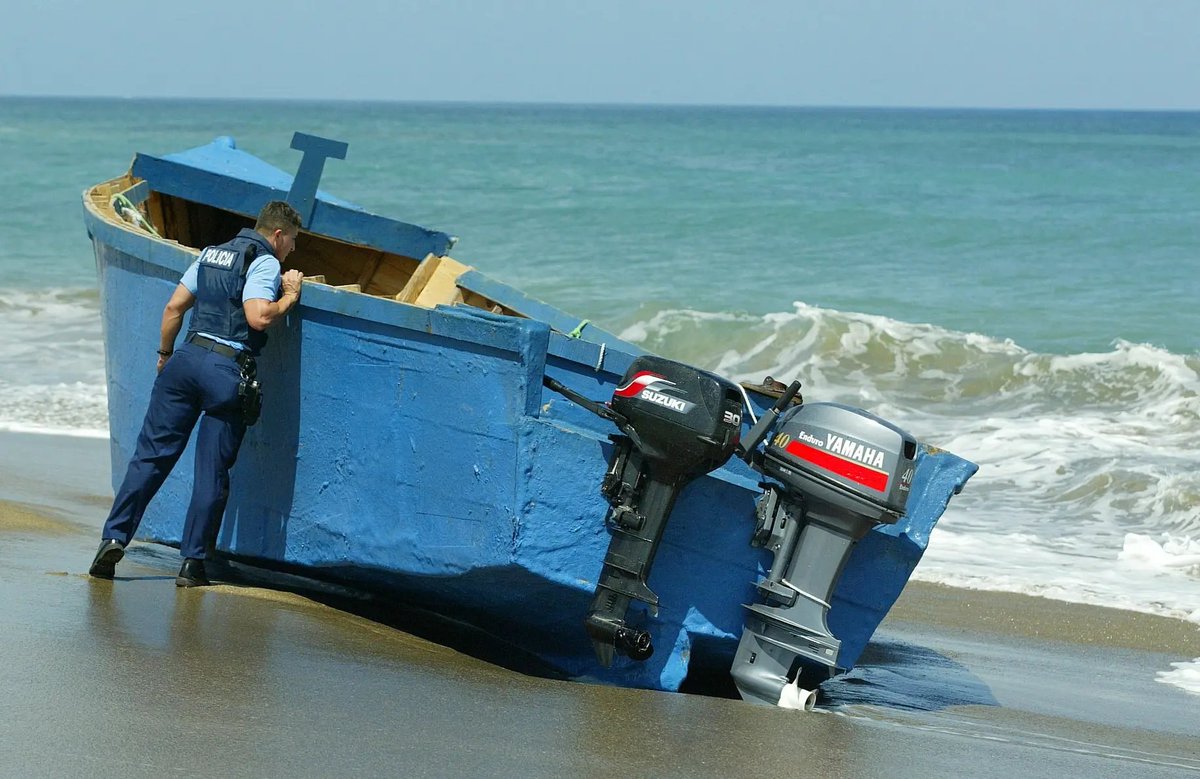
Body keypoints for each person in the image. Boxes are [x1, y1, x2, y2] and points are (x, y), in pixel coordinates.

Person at [89, 200, 305, 587]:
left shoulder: (210, 255)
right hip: (226, 370)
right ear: (277, 235)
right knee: (211, 473)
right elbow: (257, 316)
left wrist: (165, 356)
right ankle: (192, 565)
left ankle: (113, 538)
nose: (292, 249)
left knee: (150, 457)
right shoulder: (265, 261)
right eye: (292, 241)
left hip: (185, 361)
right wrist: (290, 295)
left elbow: (174, 308)